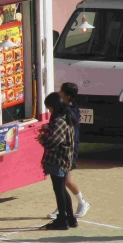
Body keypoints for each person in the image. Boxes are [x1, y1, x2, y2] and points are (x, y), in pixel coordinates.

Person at [47, 83, 90, 220]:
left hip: (69, 150)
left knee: (66, 180)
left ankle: (82, 203)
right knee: (62, 181)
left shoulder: (71, 112)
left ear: (67, 95)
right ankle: (62, 206)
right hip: (63, 150)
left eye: (61, 91)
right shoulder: (61, 108)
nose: (59, 92)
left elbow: (64, 130)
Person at [37, 92, 78, 230]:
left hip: (58, 159)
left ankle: (62, 220)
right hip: (64, 159)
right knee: (62, 189)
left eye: (49, 108)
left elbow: (53, 142)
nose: (49, 111)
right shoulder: (67, 117)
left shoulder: (59, 121)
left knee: (59, 190)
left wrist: (42, 138)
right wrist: (48, 129)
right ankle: (70, 218)